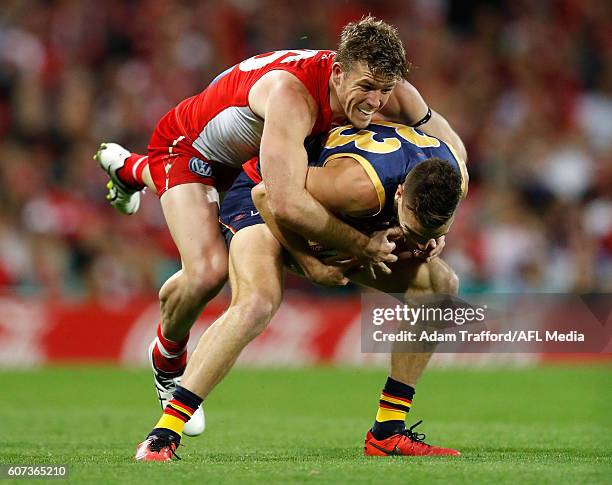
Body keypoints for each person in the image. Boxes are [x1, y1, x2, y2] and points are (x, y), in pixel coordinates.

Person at [95, 16, 466, 437]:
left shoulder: (388, 91)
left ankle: (129, 169)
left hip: (264, 159)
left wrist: (436, 227)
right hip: (196, 152)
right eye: (366, 88)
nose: (375, 101)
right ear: (339, 73)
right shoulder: (293, 95)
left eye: (384, 89)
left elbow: (452, 152)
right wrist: (345, 252)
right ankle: (167, 359)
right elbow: (282, 200)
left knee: (437, 285)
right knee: (207, 272)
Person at [134, 120, 468, 460]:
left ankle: (387, 433)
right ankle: (164, 433)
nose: (417, 241)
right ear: (399, 194)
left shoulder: (454, 176)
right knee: (258, 303)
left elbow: (422, 223)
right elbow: (270, 196)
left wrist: (429, 239)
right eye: (413, 230)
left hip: (331, 214)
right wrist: (311, 263)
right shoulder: (355, 185)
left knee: (439, 287)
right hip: (263, 197)